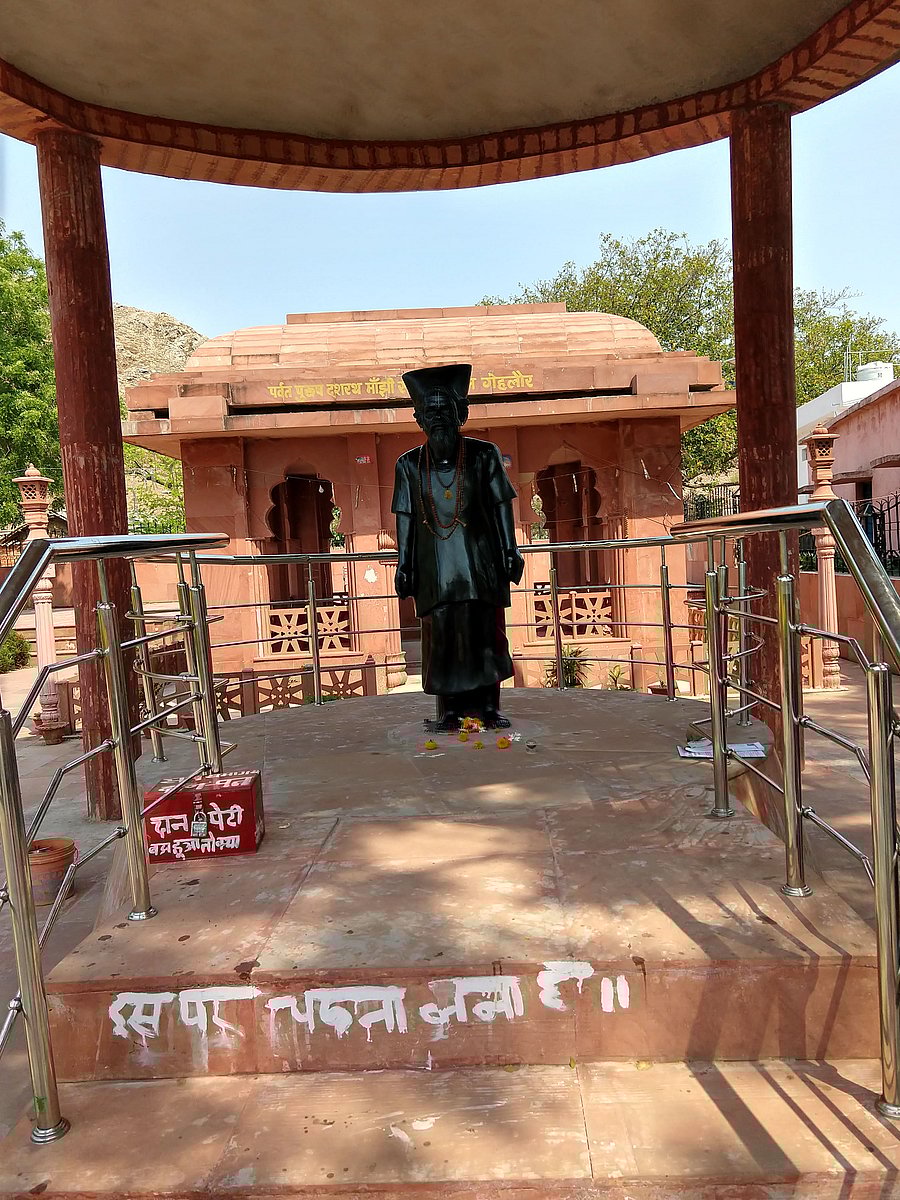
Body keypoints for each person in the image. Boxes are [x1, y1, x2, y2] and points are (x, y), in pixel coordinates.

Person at [392, 363, 525, 730]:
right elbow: (404, 516)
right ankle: (448, 712)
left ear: (460, 414)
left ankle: (490, 707)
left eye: (445, 409)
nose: (438, 418)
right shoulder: (408, 465)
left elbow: (502, 504)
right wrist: (404, 564)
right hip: (434, 567)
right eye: (430, 411)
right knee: (442, 637)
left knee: (486, 632)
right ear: (419, 418)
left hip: (479, 563)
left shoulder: (484, 455)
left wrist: (510, 550)